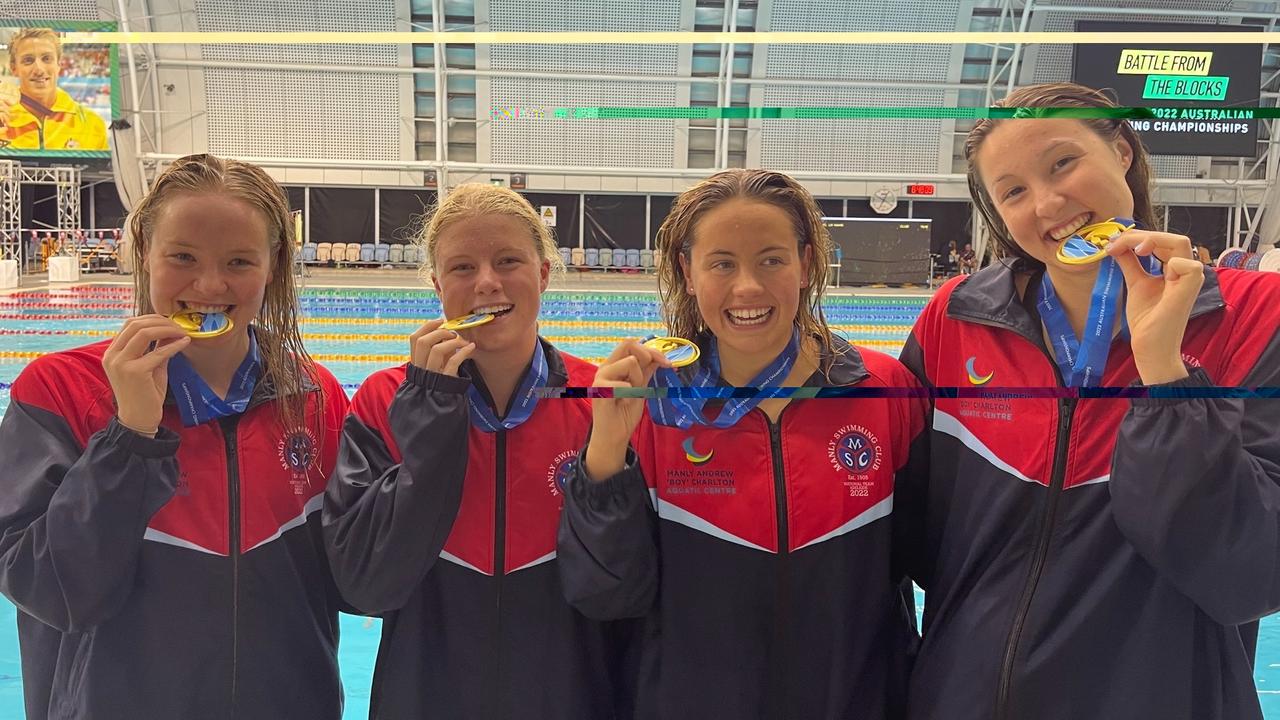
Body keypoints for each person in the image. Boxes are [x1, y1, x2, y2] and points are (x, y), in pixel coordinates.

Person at [899, 82, 1280, 720]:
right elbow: (912, 533)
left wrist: (1166, 376)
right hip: (966, 699)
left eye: (1063, 163)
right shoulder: (956, 318)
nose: (1049, 203)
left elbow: (1248, 571)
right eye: (1013, 191)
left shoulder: (1254, 318)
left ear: (1121, 150)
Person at [558, 168, 927, 720]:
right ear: (688, 271)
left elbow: (926, 558)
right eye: (722, 263)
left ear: (806, 266)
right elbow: (607, 594)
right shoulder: (651, 406)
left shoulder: (883, 391)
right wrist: (607, 446)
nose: (748, 287)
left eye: (772, 259)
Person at [0, 153, 350, 719]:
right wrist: (131, 437)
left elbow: (353, 585)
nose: (210, 285)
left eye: (239, 261)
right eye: (182, 256)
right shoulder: (60, 392)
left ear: (273, 264)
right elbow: (51, 592)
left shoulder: (314, 397)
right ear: (144, 254)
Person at [323, 183, 636, 719]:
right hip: (424, 692)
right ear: (437, 284)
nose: (487, 282)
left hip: (567, 693)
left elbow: (621, 590)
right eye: (463, 267)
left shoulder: (600, 402)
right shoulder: (385, 399)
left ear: (541, 274)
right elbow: (365, 588)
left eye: (508, 260)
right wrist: (430, 414)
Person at [1, 28, 108, 151]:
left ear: (59, 65)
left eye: (47, 59)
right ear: (14, 68)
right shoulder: (3, 118)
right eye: (28, 60)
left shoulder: (92, 124)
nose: (39, 70)